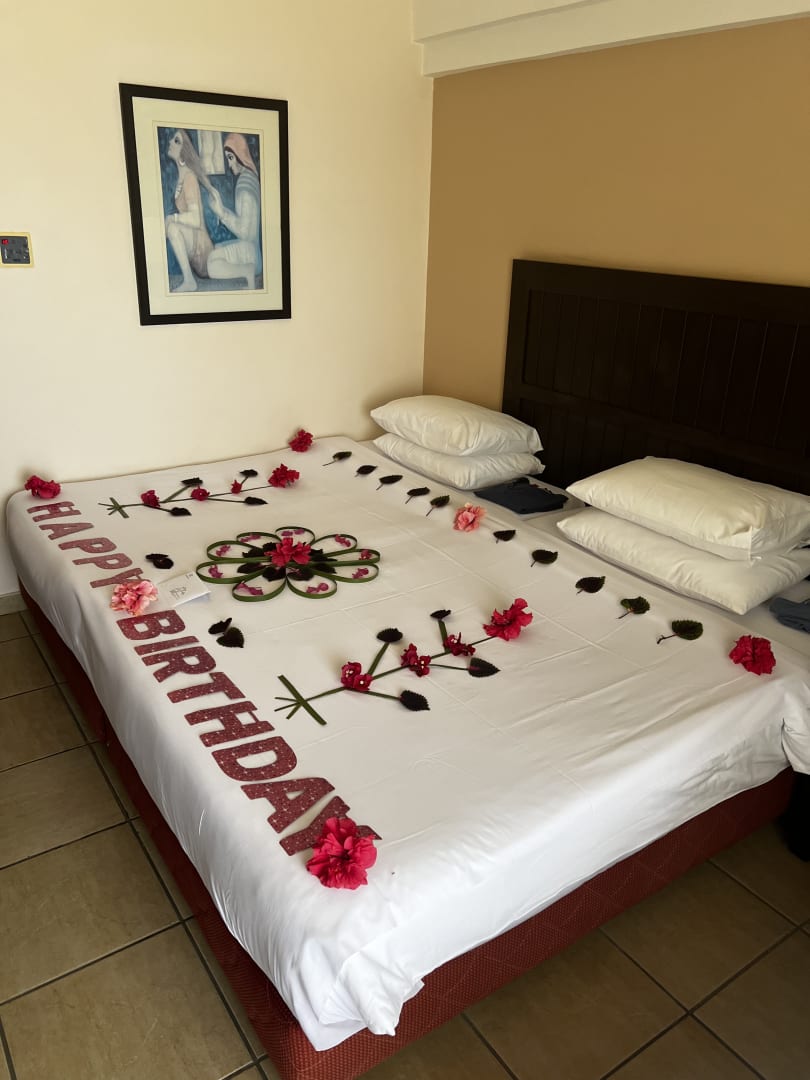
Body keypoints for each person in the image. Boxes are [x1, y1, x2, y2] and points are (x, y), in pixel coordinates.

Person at [207, 133, 262, 290]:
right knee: (216, 248)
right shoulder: (249, 178)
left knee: (211, 263)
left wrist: (221, 213)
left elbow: (245, 234)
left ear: (240, 154)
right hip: (249, 249)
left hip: (251, 254)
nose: (229, 164)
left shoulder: (245, 187)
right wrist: (222, 209)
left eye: (231, 158)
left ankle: (247, 271)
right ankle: (246, 270)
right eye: (227, 159)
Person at [164, 129, 215, 293]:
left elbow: (195, 219)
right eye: (173, 139)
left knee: (172, 227)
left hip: (203, 252)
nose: (170, 142)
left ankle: (189, 281)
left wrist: (173, 218)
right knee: (168, 226)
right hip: (194, 247)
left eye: (176, 141)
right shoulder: (182, 177)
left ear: (184, 151)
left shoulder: (189, 178)